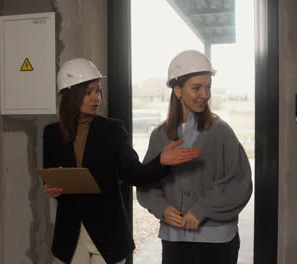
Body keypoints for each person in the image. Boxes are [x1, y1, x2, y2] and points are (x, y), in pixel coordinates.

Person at [43, 58, 201, 264]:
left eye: (98, 91)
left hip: (108, 234)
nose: (96, 98)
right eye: (88, 92)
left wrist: (161, 161)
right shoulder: (52, 133)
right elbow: (49, 175)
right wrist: (49, 188)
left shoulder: (112, 130)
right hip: (70, 235)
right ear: (71, 94)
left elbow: (134, 173)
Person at [136, 50, 253, 264]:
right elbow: (146, 185)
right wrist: (162, 209)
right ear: (177, 90)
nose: (205, 94)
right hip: (174, 240)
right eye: (196, 88)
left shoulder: (221, 132)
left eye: (207, 87)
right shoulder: (159, 135)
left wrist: (202, 209)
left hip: (217, 241)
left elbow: (240, 183)